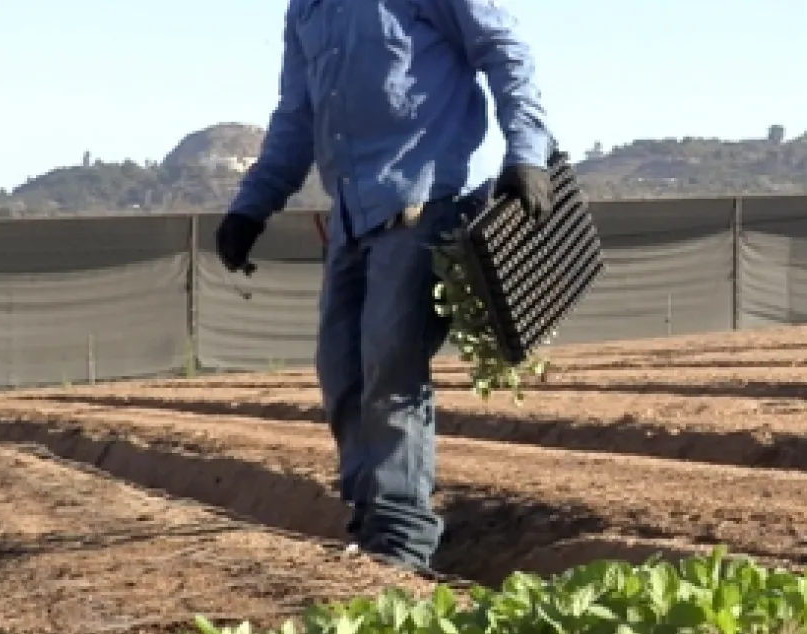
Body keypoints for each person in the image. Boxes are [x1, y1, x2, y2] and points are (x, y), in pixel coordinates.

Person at [211, 0, 557, 576]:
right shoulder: (309, 10)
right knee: (341, 373)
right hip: (351, 221)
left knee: (390, 369)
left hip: (424, 209)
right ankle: (370, 522)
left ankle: (402, 541)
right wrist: (251, 207)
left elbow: (505, 50)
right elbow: (296, 116)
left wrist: (527, 152)